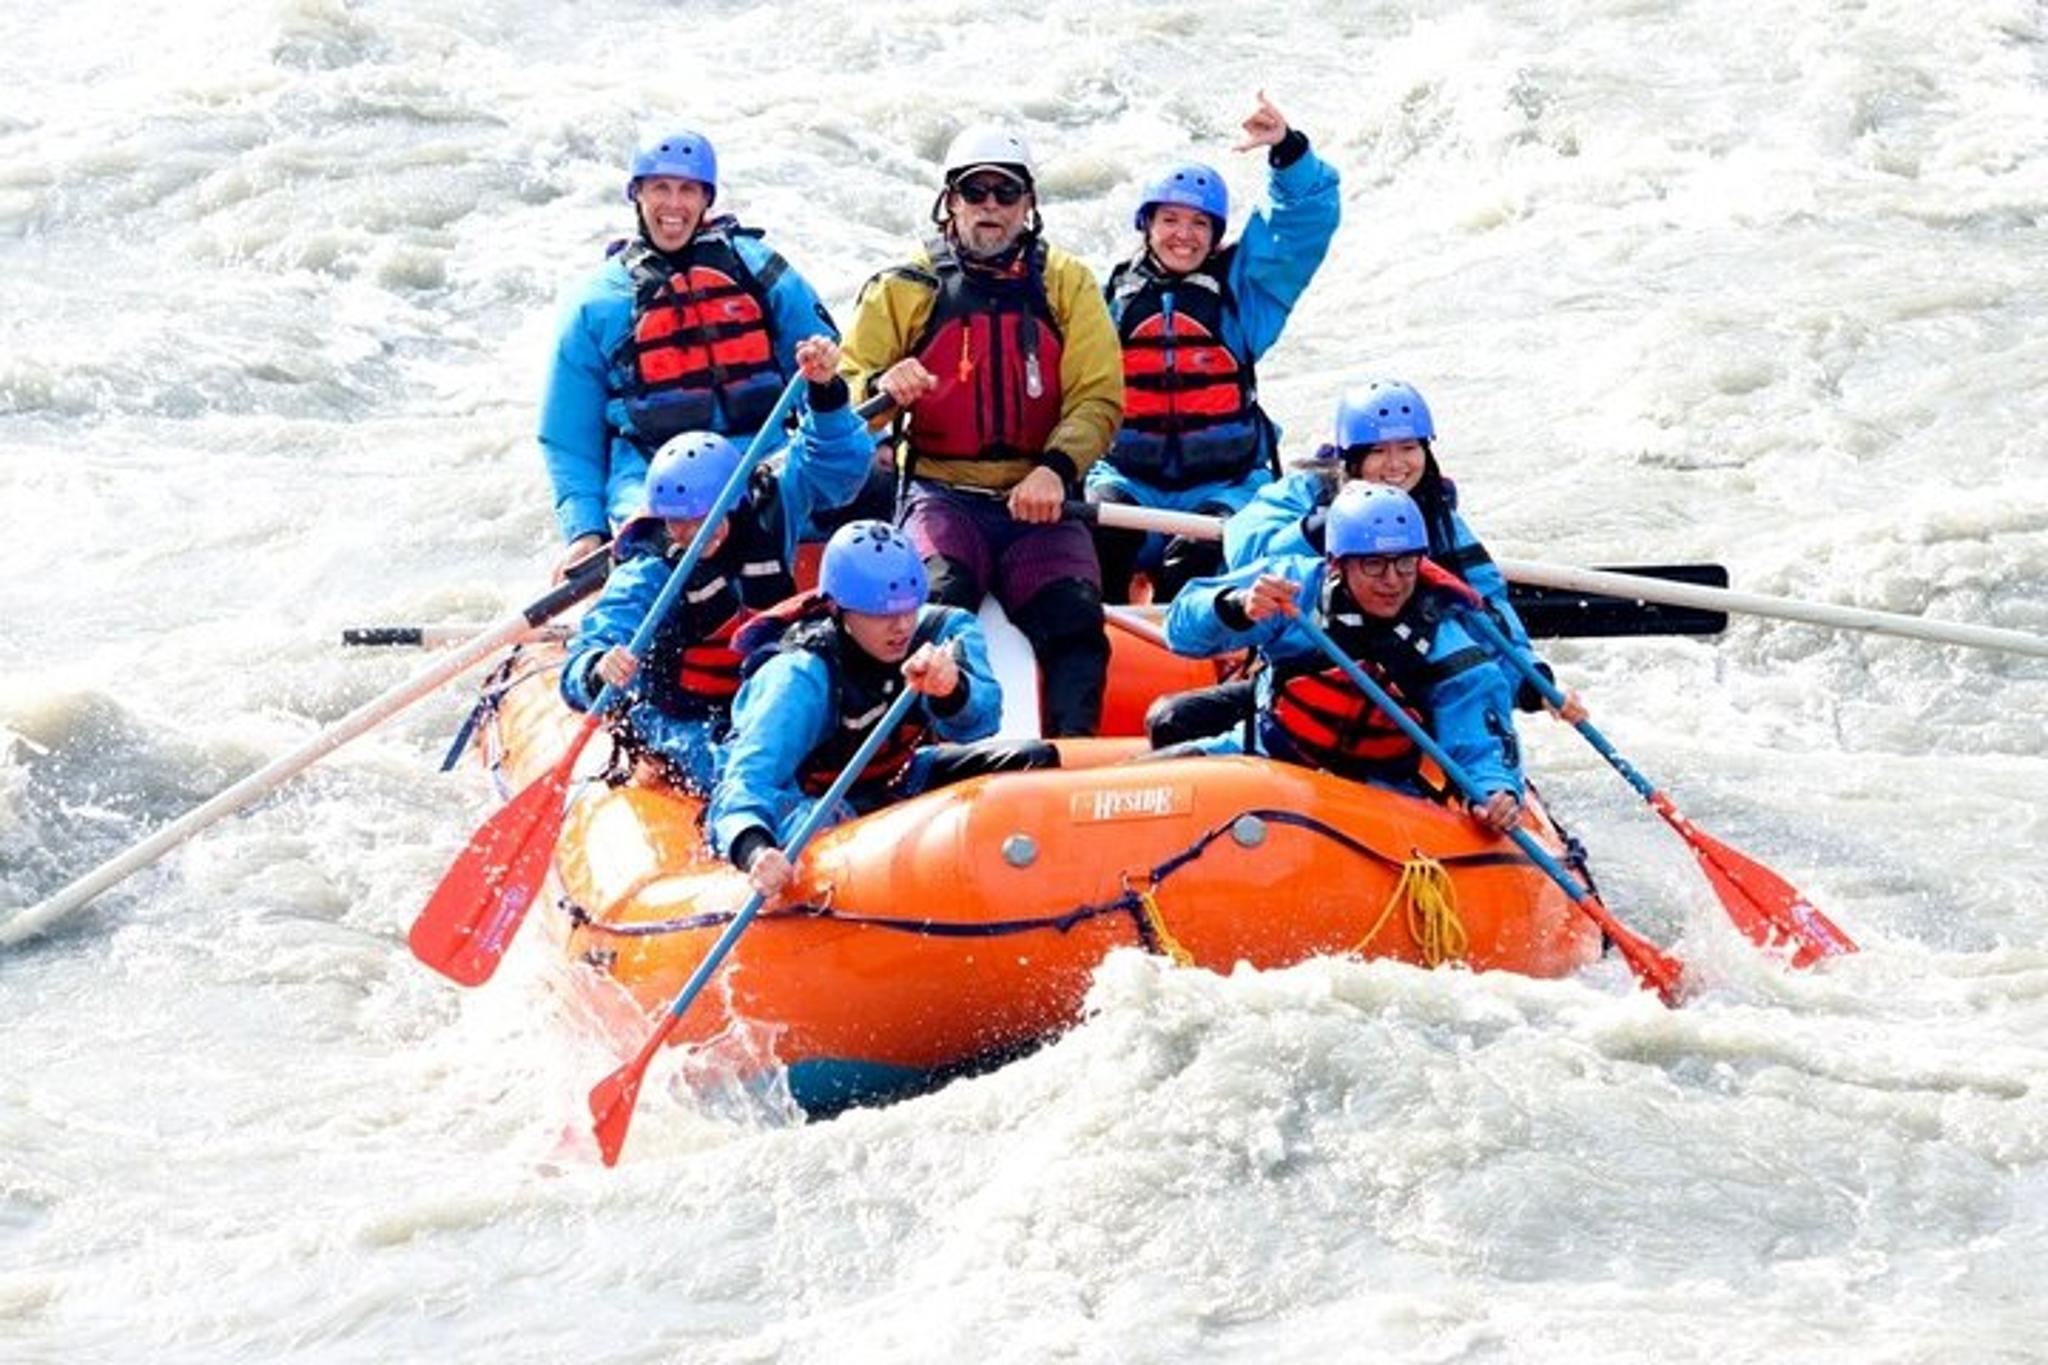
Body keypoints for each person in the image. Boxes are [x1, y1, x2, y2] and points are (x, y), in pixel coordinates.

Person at [838, 123, 1124, 737]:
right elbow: (845, 390)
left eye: (1006, 192)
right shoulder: (904, 288)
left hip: (1040, 504)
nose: (990, 207)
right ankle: (930, 757)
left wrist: (1056, 470)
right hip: (943, 497)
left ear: (1028, 205)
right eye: (975, 192)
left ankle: (1071, 765)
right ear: (951, 203)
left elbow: (1098, 395)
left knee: (1076, 621)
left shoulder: (1067, 284)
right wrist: (883, 392)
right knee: (932, 611)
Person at [1149, 378, 1575, 747]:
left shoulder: (1443, 524)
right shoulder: (1304, 495)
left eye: (1409, 448)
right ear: (1352, 458)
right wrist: (1313, 531)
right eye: (1380, 452)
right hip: (1308, 677)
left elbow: (1488, 608)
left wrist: (1532, 684)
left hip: (1407, 684)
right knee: (1174, 720)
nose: (1396, 465)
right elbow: (1246, 555)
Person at [557, 338, 873, 793]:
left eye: (702, 519)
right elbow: (593, 646)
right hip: (678, 717)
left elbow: (835, 467)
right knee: (738, 772)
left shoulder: (770, 506)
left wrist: (825, 393)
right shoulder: (649, 568)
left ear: (735, 502)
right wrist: (596, 668)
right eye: (677, 522)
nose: (689, 534)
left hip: (761, 691)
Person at [537, 127, 841, 577]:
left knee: (848, 493)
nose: (674, 205)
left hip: (759, 456)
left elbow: (827, 374)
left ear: (706, 200)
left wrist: (865, 441)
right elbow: (569, 434)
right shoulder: (596, 301)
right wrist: (585, 530)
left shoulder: (759, 270)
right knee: (669, 546)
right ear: (637, 194)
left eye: (688, 190)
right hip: (651, 475)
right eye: (660, 188)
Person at [709, 521, 1061, 898]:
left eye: (910, 609)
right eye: (881, 614)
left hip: (898, 779)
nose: (901, 626)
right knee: (823, 821)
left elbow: (982, 723)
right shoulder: (800, 676)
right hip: (812, 804)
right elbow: (745, 784)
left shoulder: (946, 630)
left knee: (1035, 760)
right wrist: (756, 850)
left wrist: (951, 690)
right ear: (837, 609)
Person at [1088, 92, 1341, 604]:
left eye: (1200, 223)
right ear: (1147, 225)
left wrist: (1287, 151)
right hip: (1127, 480)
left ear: (1216, 234)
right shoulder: (1106, 298)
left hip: (1223, 486)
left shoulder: (1243, 295)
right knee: (1101, 537)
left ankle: (1200, 639)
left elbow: (1299, 228)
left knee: (1197, 555)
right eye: (1171, 221)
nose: (1184, 236)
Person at [1162, 483, 1527, 833]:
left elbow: (1481, 741)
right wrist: (1236, 606)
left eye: (1405, 563)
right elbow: (1180, 632)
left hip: (1380, 794)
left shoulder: (1447, 643)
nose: (1392, 581)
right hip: (1266, 759)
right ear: (1338, 564)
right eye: (1373, 565)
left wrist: (1495, 792)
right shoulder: (1293, 589)